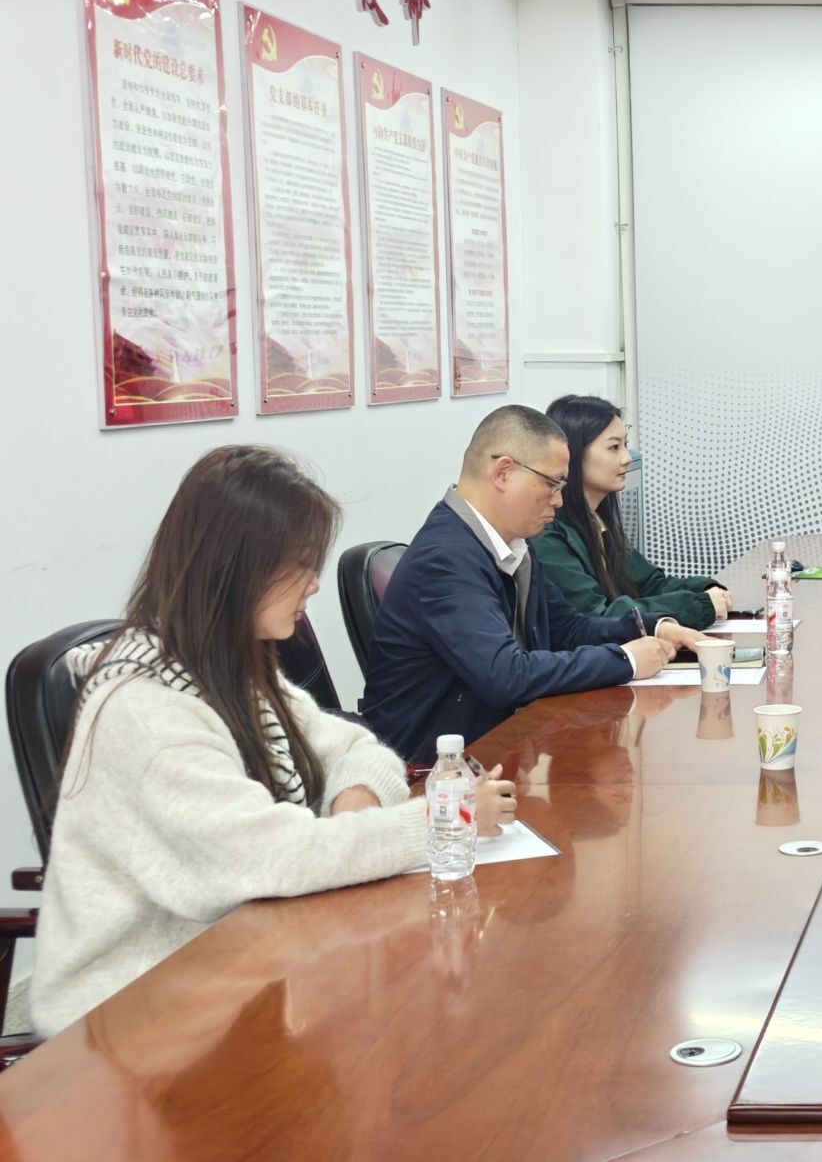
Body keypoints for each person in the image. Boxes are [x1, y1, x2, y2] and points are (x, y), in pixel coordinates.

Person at [30, 446, 517, 1035]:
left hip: (240, 968)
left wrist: (354, 800)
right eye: (301, 566)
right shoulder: (147, 713)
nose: (313, 586)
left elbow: (354, 746)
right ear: (238, 569)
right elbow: (275, 858)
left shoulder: (225, 669)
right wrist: (445, 819)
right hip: (133, 1016)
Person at [363, 404, 695, 763]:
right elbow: (505, 675)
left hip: (499, 750)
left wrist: (650, 628)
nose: (559, 499)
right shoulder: (445, 559)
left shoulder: (512, 544)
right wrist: (626, 660)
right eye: (552, 483)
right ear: (503, 473)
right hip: (433, 774)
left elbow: (568, 630)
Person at [531, 394, 732, 630]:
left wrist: (704, 589)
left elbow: (649, 583)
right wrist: (699, 605)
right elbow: (599, 615)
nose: (627, 458)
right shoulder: (548, 534)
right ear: (572, 454)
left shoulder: (597, 521)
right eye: (614, 447)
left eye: (625, 446)